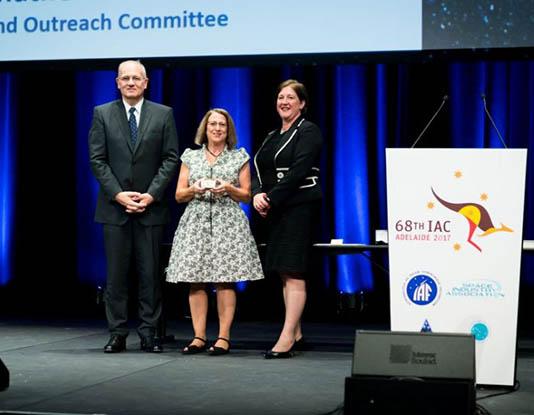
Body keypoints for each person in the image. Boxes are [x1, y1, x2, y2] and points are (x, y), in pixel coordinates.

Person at [89, 60, 179, 353]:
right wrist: (119, 195)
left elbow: (170, 158)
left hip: (150, 208)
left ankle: (149, 332)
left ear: (145, 82)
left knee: (150, 274)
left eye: (135, 78)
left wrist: (151, 195)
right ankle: (117, 332)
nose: (130, 82)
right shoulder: (102, 113)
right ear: (117, 82)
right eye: (124, 78)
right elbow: (97, 160)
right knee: (116, 276)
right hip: (114, 208)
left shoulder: (163, 114)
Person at [166, 108, 264, 356]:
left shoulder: (239, 157)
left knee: (225, 280)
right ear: (205, 129)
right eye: (213, 124)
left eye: (222, 125)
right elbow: (179, 195)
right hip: (196, 221)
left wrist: (228, 188)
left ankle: (223, 337)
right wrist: (195, 189)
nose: (218, 128)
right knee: (196, 280)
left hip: (227, 222)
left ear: (228, 130)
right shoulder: (190, 157)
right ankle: (198, 336)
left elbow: (247, 194)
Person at [252, 79, 323, 359]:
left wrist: (270, 198)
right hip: (276, 211)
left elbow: (298, 171)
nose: (284, 101)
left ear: (302, 103)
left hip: (299, 208)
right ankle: (296, 332)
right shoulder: (272, 136)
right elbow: (258, 169)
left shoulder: (309, 131)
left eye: (290, 97)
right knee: (283, 270)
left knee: (293, 270)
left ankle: (286, 338)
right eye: (280, 97)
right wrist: (257, 194)